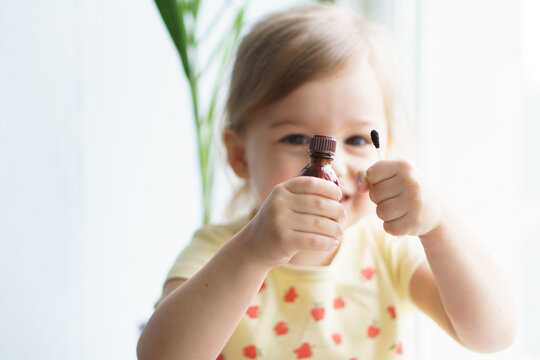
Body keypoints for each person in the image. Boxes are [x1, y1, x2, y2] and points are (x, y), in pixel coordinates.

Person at [137, 4, 517, 359]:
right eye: (296, 139)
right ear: (239, 155)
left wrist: (439, 225)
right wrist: (253, 252)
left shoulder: (390, 251)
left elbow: (493, 334)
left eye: (356, 140)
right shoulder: (219, 251)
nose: (332, 165)